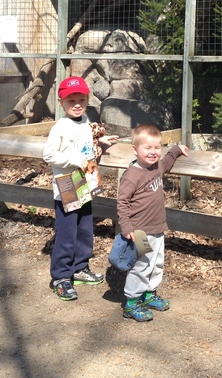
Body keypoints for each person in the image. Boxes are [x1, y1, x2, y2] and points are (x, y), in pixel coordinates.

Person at [43, 76, 118, 301]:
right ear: (61, 103)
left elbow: (85, 142)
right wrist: (75, 160)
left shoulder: (85, 121)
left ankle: (80, 267)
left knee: (85, 229)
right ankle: (61, 277)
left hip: (85, 183)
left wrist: (101, 141)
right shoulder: (60, 127)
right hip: (67, 185)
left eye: (81, 100)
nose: (77, 105)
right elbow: (49, 155)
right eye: (71, 101)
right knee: (67, 234)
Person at [117, 124, 189, 321]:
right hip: (140, 231)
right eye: (147, 148)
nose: (153, 152)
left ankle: (148, 294)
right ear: (135, 149)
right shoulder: (132, 175)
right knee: (141, 265)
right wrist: (126, 226)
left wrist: (176, 149)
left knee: (157, 263)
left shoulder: (157, 167)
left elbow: (167, 161)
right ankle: (132, 302)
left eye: (157, 147)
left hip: (157, 228)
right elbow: (122, 203)